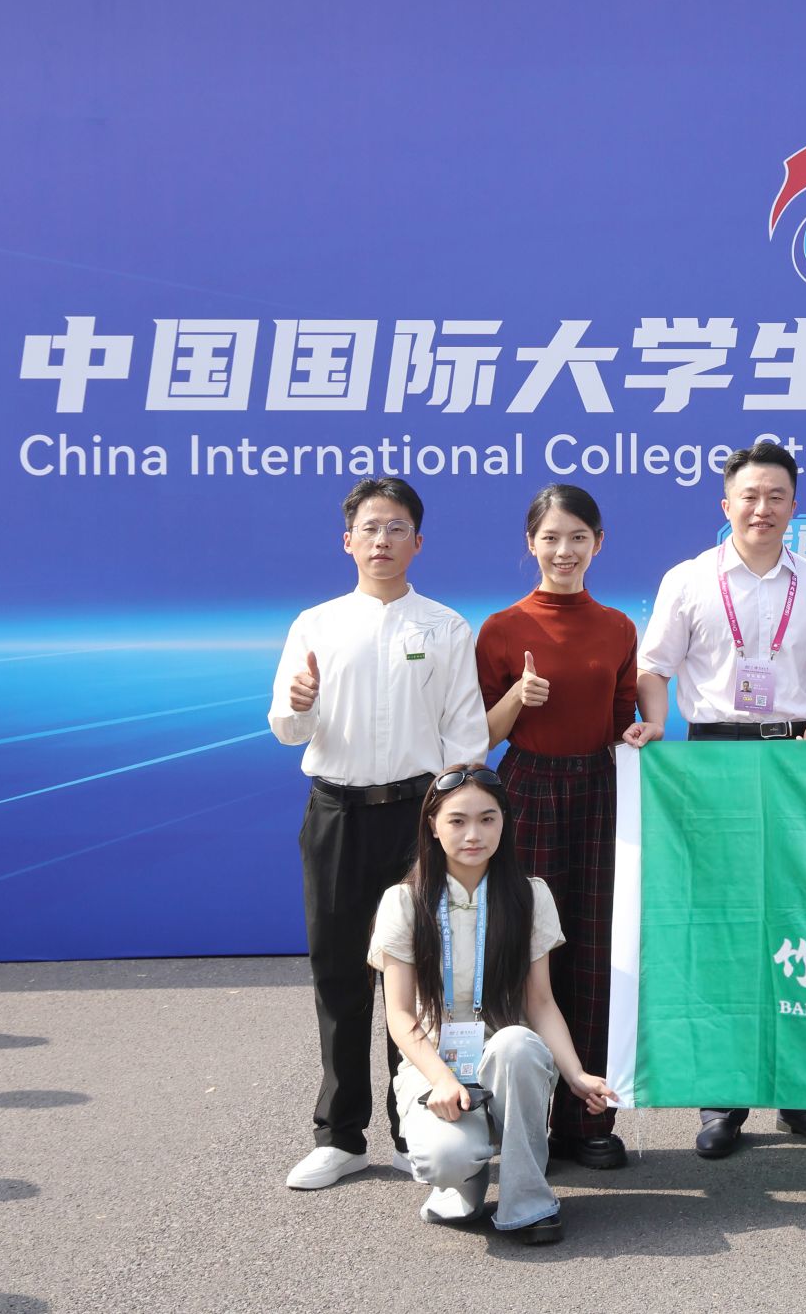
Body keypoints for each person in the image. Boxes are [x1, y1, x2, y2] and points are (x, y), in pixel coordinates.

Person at [635, 440, 806, 1158]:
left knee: (798, 924)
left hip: (796, 760)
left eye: (776, 496)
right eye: (749, 496)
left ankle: (800, 1093)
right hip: (714, 760)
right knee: (725, 929)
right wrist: (656, 721)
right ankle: (722, 1098)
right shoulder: (688, 579)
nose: (762, 508)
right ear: (725, 503)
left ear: (795, 506)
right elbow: (653, 666)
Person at [269, 478, 489, 1191]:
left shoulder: (446, 627)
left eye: (397, 528)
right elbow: (287, 728)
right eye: (369, 527)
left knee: (417, 973)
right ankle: (339, 1135)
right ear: (348, 541)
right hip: (335, 813)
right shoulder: (316, 625)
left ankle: (411, 1127)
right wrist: (299, 704)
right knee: (339, 973)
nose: (382, 540)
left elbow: (466, 734)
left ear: (417, 542)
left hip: (417, 818)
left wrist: (451, 820)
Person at [475, 483, 648, 1171]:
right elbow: (478, 737)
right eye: (550, 538)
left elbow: (622, 720)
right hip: (527, 789)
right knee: (527, 952)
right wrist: (518, 697)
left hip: (600, 790)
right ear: (531, 544)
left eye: (578, 537)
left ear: (598, 544)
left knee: (597, 954)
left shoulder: (617, 627)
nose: (564, 550)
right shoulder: (501, 629)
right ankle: (523, 1122)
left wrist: (639, 731)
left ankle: (588, 1119)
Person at [371, 765, 616, 1242]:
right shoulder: (403, 902)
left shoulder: (530, 896)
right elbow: (400, 1015)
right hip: (433, 1064)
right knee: (446, 1160)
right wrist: (441, 1078)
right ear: (433, 825)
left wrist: (576, 1075)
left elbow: (540, 1002)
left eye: (487, 819)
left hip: (506, 1060)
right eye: (457, 821)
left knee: (517, 1043)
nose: (473, 834)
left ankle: (528, 1201)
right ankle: (462, 1179)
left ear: (505, 822)